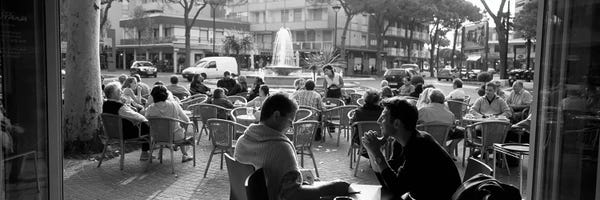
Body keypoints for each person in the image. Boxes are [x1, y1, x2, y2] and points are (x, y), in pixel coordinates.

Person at [234, 93, 350, 200]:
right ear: (276, 115)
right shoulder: (281, 147)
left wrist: (298, 173)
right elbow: (293, 195)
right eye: (290, 121)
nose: (291, 126)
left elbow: (267, 169)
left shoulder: (243, 141)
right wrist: (331, 187)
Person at [362, 97, 461, 199]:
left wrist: (377, 152)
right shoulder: (400, 142)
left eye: (383, 118)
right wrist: (371, 150)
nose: (378, 121)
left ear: (396, 123)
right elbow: (387, 180)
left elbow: (396, 189)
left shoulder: (419, 146)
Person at [102, 82, 151, 160]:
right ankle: (145, 153)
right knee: (146, 125)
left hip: (112, 133)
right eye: (119, 91)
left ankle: (146, 153)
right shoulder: (120, 107)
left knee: (144, 125)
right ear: (112, 94)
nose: (121, 92)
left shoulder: (105, 104)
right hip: (125, 133)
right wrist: (147, 121)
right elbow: (138, 117)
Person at [145, 85, 194, 162]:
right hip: (175, 136)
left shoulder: (150, 108)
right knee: (185, 130)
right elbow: (186, 120)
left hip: (157, 137)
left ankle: (167, 148)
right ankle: (185, 154)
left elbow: (147, 120)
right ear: (166, 94)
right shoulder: (174, 104)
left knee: (171, 130)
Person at [418, 90, 463, 157]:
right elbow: (453, 129)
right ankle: (449, 149)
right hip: (441, 140)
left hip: (423, 141)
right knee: (462, 131)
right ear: (443, 101)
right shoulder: (450, 115)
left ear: (430, 99)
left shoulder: (422, 111)